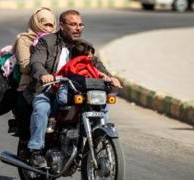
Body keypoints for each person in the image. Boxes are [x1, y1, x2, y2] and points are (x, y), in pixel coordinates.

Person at [24, 9, 121, 167]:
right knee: (42, 108)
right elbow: (36, 62)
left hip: (76, 92)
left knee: (100, 108)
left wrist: (110, 77)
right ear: (61, 26)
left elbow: (96, 65)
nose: (78, 28)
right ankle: (36, 151)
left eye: (80, 25)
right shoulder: (47, 41)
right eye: (73, 24)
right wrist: (43, 74)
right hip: (50, 90)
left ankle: (98, 142)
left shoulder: (83, 46)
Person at [12, 7, 56, 144]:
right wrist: (42, 70)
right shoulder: (24, 40)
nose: (48, 28)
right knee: (24, 111)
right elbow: (25, 66)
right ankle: (27, 146)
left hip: (53, 86)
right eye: (44, 24)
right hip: (28, 87)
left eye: (51, 25)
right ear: (36, 23)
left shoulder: (56, 40)